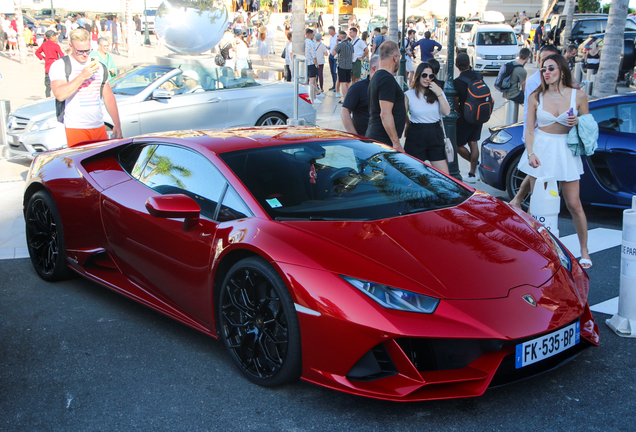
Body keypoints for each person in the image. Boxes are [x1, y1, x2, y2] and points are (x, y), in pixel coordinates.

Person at [517, 53, 593, 268]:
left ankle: (584, 251)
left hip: (565, 150)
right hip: (541, 148)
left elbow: (589, 125)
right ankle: (537, 249)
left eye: (551, 68)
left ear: (561, 70)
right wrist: (530, 153)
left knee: (574, 204)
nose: (546, 73)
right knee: (538, 204)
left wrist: (578, 120)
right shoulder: (536, 96)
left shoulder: (577, 96)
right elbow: (529, 129)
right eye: (543, 69)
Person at [50, 28, 122, 147]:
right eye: (80, 51)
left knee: (101, 164)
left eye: (87, 51)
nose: (84, 55)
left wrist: (117, 124)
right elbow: (60, 94)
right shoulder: (60, 65)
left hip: (98, 126)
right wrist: (82, 76)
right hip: (76, 127)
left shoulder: (98, 66)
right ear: (71, 46)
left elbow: (108, 97)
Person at [510, 45, 560, 209]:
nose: (546, 65)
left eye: (550, 61)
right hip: (537, 135)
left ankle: (518, 200)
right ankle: (533, 212)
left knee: (537, 172)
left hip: (551, 136)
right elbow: (532, 113)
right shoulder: (535, 82)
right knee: (538, 175)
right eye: (542, 60)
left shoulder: (559, 79)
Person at [403, 62, 451, 174]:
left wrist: (439, 93)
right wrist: (407, 124)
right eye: (424, 75)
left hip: (434, 133)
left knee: (444, 176)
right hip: (416, 134)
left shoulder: (438, 92)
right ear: (418, 75)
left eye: (431, 76)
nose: (427, 78)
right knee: (412, 174)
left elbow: (447, 112)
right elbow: (403, 114)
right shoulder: (409, 94)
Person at [365, 41, 406, 151]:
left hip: (377, 138)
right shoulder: (386, 79)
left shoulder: (377, 77)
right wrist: (396, 142)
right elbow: (385, 114)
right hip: (382, 141)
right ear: (395, 57)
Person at [453, 52, 483, 183]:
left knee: (457, 145)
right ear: (469, 63)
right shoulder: (478, 75)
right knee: (474, 143)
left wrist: (458, 112)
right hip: (479, 114)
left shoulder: (457, 82)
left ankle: (476, 166)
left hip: (465, 116)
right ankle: (472, 173)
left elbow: (455, 103)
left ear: (456, 66)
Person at [341, 55, 379, 136]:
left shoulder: (387, 87)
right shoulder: (358, 87)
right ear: (374, 69)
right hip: (363, 139)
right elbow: (345, 111)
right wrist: (355, 136)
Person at [35, 30, 65, 97]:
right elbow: (62, 55)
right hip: (55, 66)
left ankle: (47, 97)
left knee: (48, 86)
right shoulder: (55, 45)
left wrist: (43, 57)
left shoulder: (44, 44)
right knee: (57, 83)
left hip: (48, 66)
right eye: (54, 36)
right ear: (51, 37)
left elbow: (37, 52)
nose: (55, 38)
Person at [333, 30, 354, 99]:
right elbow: (352, 56)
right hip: (349, 65)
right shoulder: (351, 44)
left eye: (338, 36)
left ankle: (345, 98)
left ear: (341, 37)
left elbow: (333, 53)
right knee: (349, 82)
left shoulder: (340, 45)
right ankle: (351, 96)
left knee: (343, 82)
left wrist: (336, 44)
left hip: (342, 65)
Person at [327, 26, 338, 91]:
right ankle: (334, 84)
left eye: (329, 31)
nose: (329, 32)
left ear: (332, 31)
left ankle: (336, 85)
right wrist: (328, 47)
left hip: (335, 55)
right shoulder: (331, 38)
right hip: (331, 54)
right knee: (331, 70)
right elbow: (331, 45)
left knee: (335, 70)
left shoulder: (337, 37)